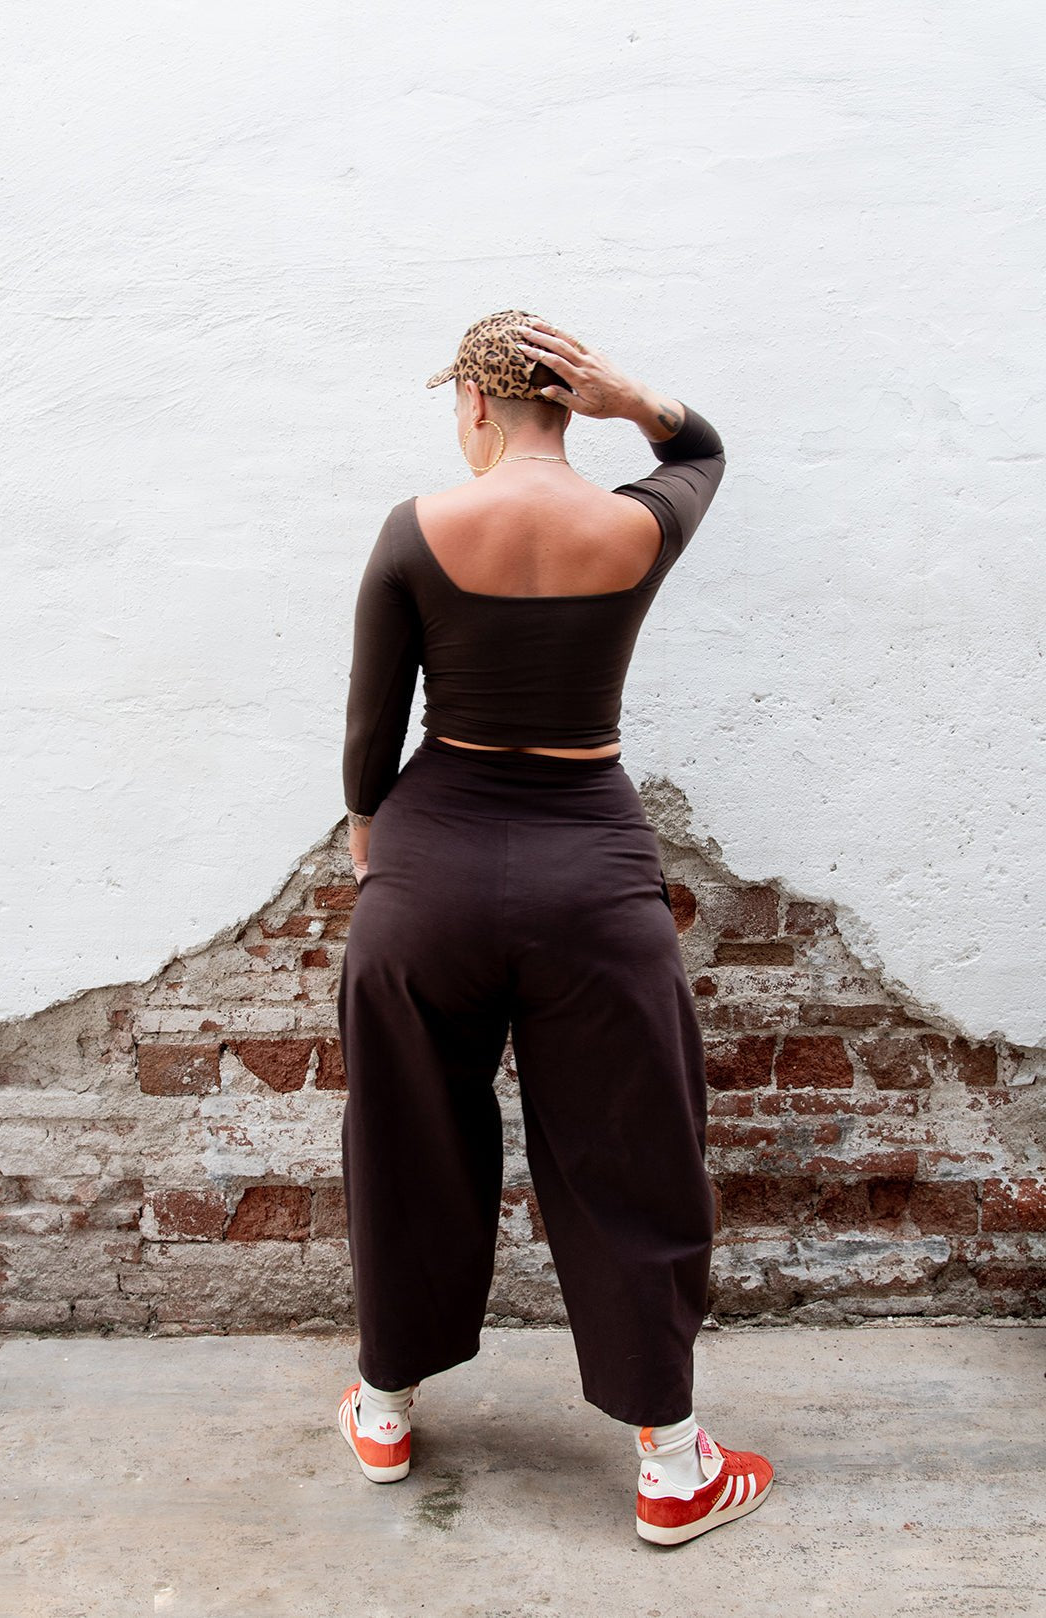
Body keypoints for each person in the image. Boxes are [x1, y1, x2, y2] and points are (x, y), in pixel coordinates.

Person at [334, 309, 774, 1545]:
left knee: (407, 1138)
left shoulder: (415, 528)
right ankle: (674, 1467)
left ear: (475, 406)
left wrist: (375, 843)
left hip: (431, 874)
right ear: (567, 405)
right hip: (594, 875)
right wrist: (637, 400)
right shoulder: (637, 524)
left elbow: (372, 727)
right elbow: (703, 451)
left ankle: (384, 1407)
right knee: (634, 1150)